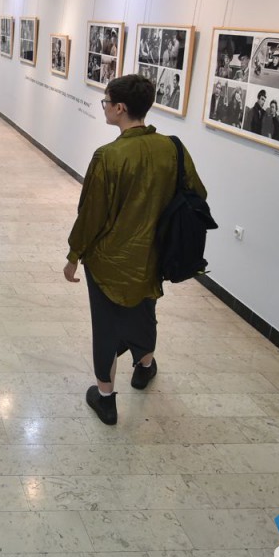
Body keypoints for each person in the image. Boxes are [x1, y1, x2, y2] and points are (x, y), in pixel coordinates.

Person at [63, 74, 207, 426]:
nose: (104, 107)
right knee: (145, 311)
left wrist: (73, 255)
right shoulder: (173, 148)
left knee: (106, 325)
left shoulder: (108, 156)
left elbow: (91, 214)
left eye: (106, 102)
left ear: (120, 108)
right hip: (153, 256)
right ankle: (144, 366)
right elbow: (198, 194)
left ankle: (105, 398)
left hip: (109, 261)